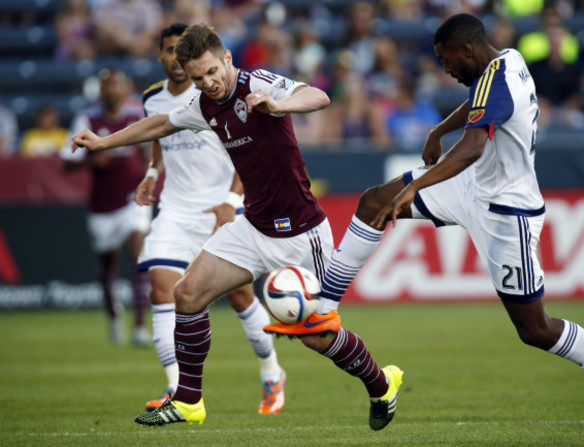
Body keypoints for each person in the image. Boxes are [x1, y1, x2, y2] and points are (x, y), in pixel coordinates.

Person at [264, 13, 584, 435]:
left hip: (506, 212)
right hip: (471, 186)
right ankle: (325, 310)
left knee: (536, 329)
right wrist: (438, 129)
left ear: (466, 49)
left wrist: (417, 187)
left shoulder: (498, 77)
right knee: (374, 201)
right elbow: (479, 105)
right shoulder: (506, 62)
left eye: (445, 59)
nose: (444, 69)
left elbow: (471, 145)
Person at [71, 23, 403, 430]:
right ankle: (189, 401)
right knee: (188, 294)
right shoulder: (203, 104)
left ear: (227, 58)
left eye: (212, 71)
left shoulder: (258, 82)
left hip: (302, 233)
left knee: (317, 335)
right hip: (253, 227)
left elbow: (317, 95)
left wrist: (280, 106)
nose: (207, 83)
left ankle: (382, 383)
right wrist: (103, 143)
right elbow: (160, 125)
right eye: (197, 77)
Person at [135, 23, 286, 415]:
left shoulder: (216, 93)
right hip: (176, 209)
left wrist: (232, 200)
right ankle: (177, 390)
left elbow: (246, 149)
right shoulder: (152, 98)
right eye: (168, 50)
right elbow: (159, 137)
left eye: (180, 51)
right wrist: (152, 174)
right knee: (162, 291)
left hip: (222, 205)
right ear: (163, 56)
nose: (175, 59)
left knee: (239, 295)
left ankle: (271, 372)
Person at [61, 69, 152, 346]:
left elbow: (150, 153)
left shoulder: (137, 114)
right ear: (100, 92)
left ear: (125, 90)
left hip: (131, 199)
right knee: (107, 265)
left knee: (138, 252)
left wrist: (149, 176)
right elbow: (65, 162)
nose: (112, 91)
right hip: (102, 205)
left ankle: (138, 326)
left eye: (116, 86)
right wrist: (91, 161)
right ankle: (113, 313)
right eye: (106, 87)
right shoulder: (87, 119)